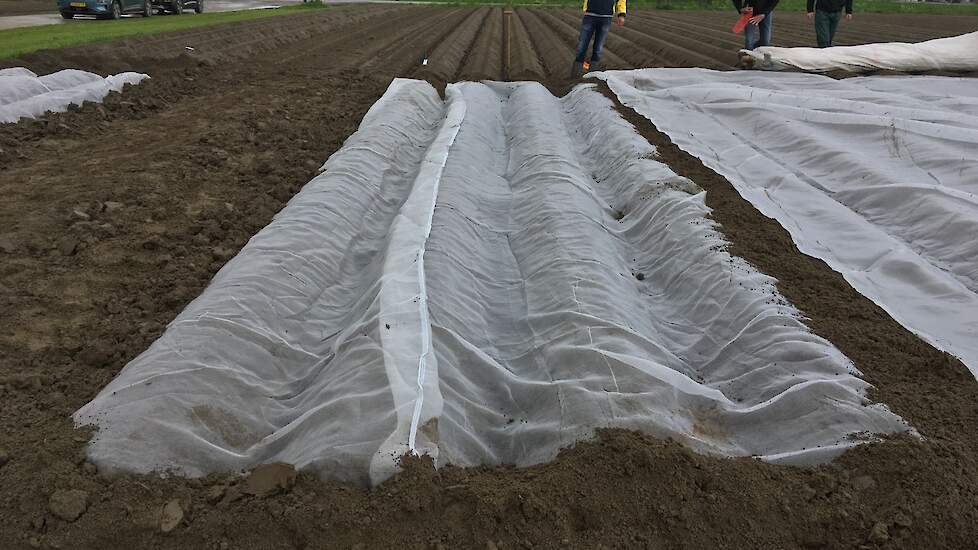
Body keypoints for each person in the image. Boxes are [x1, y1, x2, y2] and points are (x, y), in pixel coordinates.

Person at [571, 0, 626, 78]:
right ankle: (575, 75)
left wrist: (621, 14)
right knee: (582, 46)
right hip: (590, 14)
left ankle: (592, 76)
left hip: (606, 17)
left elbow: (621, 1)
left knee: (598, 48)